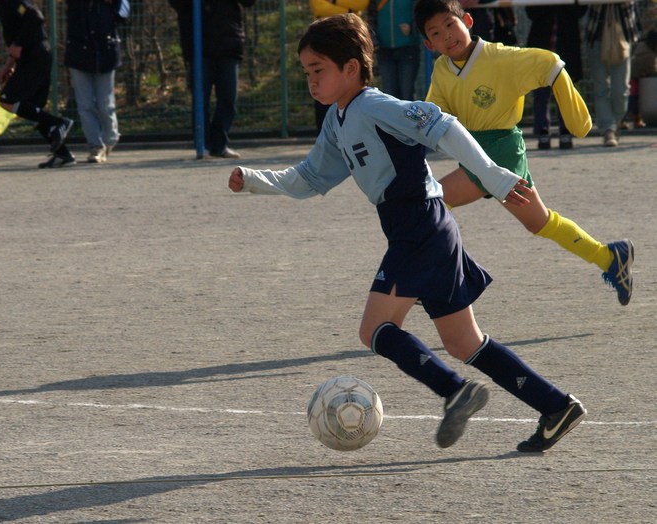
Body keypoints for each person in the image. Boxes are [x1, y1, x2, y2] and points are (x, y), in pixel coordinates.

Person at [228, 13, 587, 452]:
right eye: (306, 72)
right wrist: (253, 180)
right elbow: (309, 179)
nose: (311, 81)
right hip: (424, 229)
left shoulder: (374, 106)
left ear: (351, 69)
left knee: (374, 328)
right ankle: (555, 405)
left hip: (420, 224)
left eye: (318, 70)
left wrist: (492, 175)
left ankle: (455, 390)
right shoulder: (338, 121)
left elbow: (445, 125)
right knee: (463, 341)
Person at [414, 0, 634, 307]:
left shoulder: (500, 57)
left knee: (431, 204)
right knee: (540, 222)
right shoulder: (441, 69)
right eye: (436, 33)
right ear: (429, 44)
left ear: (467, 20)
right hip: (478, 151)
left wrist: (576, 115)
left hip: (500, 151)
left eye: (450, 25)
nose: (447, 36)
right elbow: (434, 114)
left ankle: (439, 278)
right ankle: (610, 256)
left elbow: (550, 62)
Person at [168, 0, 255, 159]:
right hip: (198, 43)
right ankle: (203, 145)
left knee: (228, 98)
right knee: (201, 99)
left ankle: (220, 144)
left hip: (228, 42)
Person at [0, 0, 75, 168]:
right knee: (33, 109)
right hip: (34, 55)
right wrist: (9, 65)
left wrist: (18, 44)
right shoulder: (3, 4)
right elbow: (17, 35)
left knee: (6, 99)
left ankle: (59, 123)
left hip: (36, 55)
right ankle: (63, 155)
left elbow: (36, 16)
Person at [64, 0, 129, 164]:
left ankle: (110, 140)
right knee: (85, 104)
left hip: (105, 51)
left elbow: (124, 13)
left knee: (105, 104)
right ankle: (95, 146)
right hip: (78, 50)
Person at [526, 3, 587, 150]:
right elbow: (531, 11)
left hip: (566, 44)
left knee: (565, 93)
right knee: (540, 92)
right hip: (541, 44)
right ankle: (542, 131)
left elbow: (580, 10)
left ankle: (566, 131)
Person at [585, 1, 641, 147]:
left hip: (623, 34)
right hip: (596, 35)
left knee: (621, 89)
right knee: (601, 87)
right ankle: (608, 129)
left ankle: (615, 123)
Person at [309, 0, 369, 131]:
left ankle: (353, 132)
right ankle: (325, 134)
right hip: (322, 42)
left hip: (349, 40)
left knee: (352, 88)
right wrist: (349, 11)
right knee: (323, 87)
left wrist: (334, 1)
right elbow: (319, 6)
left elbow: (361, 4)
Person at [367, 0, 421, 101]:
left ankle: (408, 117)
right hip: (384, 51)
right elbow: (370, 18)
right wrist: (374, 41)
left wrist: (412, 28)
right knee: (390, 95)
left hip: (408, 50)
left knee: (407, 94)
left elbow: (421, 14)